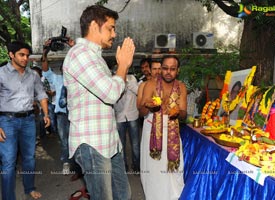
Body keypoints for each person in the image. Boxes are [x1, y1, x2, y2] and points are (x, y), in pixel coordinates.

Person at [63, 5, 135, 200]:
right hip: (92, 144)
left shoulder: (96, 58)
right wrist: (123, 66)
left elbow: (114, 93)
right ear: (95, 26)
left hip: (109, 141)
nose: (115, 33)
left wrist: (122, 70)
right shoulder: (80, 54)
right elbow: (111, 93)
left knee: (123, 195)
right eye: (111, 28)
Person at [0, 41, 50, 200]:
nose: (25, 58)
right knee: (8, 162)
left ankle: (30, 188)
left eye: (27, 56)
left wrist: (46, 114)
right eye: (21, 55)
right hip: (7, 121)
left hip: (29, 120)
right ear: (11, 54)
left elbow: (41, 94)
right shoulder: (1, 73)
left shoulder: (33, 75)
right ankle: (8, 197)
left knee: (29, 158)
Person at [139, 55, 187, 200]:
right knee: (153, 172)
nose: (168, 72)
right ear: (161, 69)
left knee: (173, 172)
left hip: (172, 131)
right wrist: (147, 106)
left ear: (177, 70)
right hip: (152, 130)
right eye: (165, 68)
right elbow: (141, 113)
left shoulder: (181, 87)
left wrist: (178, 112)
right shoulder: (150, 85)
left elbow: (184, 114)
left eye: (172, 69)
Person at [41, 38, 75, 175]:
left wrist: (73, 46)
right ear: (62, 69)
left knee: (77, 138)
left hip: (75, 113)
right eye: (63, 67)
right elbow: (44, 67)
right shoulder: (56, 78)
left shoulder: (77, 78)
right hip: (61, 114)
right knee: (64, 139)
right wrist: (45, 50)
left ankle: (78, 163)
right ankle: (66, 162)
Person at [114, 74, 140, 173]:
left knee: (135, 143)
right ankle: (123, 167)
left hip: (133, 114)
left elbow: (139, 92)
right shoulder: (114, 79)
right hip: (120, 116)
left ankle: (136, 166)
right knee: (121, 144)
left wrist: (128, 84)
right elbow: (113, 97)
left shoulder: (132, 78)